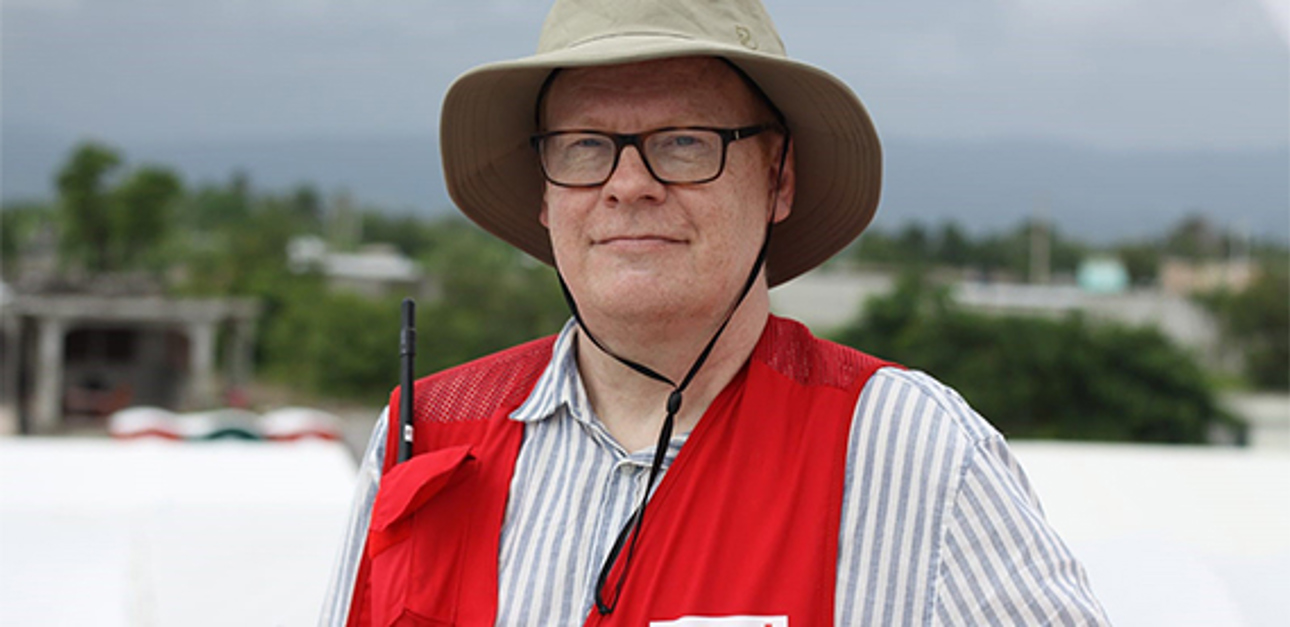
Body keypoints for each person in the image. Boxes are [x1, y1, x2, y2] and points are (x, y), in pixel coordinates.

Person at [322, 0, 1109, 625]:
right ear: (544, 188)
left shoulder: (910, 449)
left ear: (780, 179)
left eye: (686, 142)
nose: (628, 183)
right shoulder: (425, 435)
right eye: (584, 145)